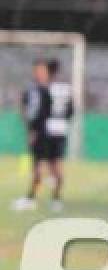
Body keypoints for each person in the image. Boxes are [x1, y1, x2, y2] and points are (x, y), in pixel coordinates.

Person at [12, 60, 52, 211]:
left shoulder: (46, 90)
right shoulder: (33, 90)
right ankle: (34, 197)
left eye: (42, 71)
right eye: (38, 71)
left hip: (44, 133)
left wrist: (34, 130)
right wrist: (30, 128)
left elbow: (44, 113)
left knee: (40, 167)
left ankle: (32, 198)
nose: (40, 74)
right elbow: (25, 107)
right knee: (38, 166)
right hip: (38, 131)